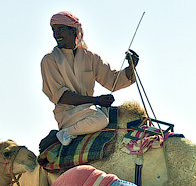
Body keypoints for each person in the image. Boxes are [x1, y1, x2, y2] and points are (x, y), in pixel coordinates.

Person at [41, 11, 139, 146]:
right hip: (68, 113)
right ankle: (63, 134)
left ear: (73, 31)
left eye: (61, 29)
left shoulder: (91, 57)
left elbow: (112, 81)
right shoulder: (50, 60)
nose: (56, 34)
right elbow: (62, 96)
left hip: (90, 109)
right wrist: (97, 100)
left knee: (124, 116)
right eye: (54, 30)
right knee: (101, 120)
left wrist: (130, 68)